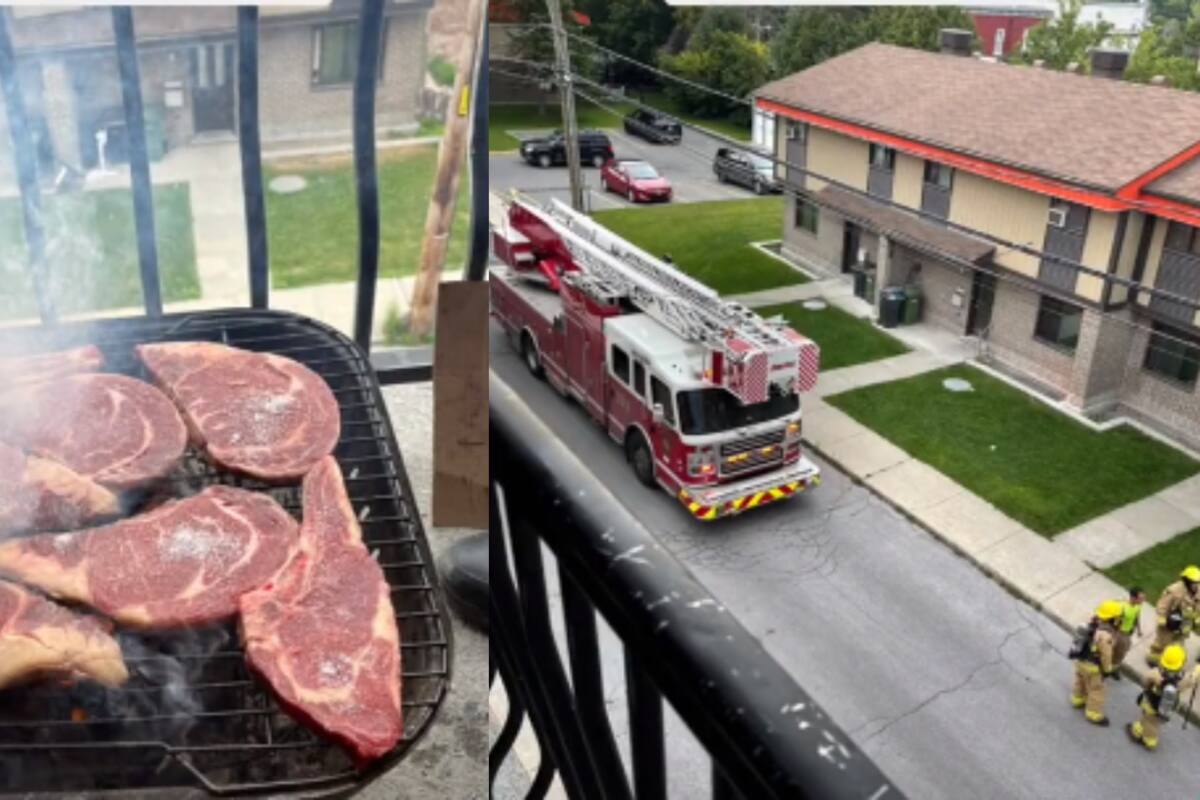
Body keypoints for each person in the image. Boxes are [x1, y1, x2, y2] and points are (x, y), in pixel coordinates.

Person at [1127, 644, 1196, 750]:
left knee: (1150, 722)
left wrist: (1148, 687)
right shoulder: (1184, 678)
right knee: (1154, 721)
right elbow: (1191, 681)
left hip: (1152, 703)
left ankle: (1148, 739)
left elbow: (1145, 680)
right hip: (1169, 705)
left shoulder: (1156, 673)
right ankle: (1144, 732)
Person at [1072, 599, 1121, 726]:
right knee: (1097, 690)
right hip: (1093, 668)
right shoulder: (1106, 636)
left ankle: (1077, 699)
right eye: (1117, 617)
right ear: (1112, 619)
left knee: (1080, 680)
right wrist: (1107, 669)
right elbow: (1106, 655)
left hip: (1080, 661)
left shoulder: (1090, 625)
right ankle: (1093, 713)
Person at [1147, 566, 1200, 666]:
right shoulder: (1174, 590)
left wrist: (1197, 618)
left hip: (1184, 626)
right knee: (1160, 644)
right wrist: (1162, 618)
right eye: (1194, 582)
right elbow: (1162, 605)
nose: (1196, 585)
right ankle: (1153, 659)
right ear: (1187, 581)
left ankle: (1171, 663)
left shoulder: (1198, 592)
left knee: (1178, 647)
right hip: (1169, 624)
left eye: (1197, 582)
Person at [1113, 586, 1145, 667]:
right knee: (1117, 651)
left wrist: (1139, 630)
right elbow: (1115, 621)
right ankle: (1109, 666)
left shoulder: (1138, 606)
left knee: (1122, 652)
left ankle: (1114, 666)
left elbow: (1137, 617)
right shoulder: (1123, 607)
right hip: (1119, 632)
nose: (1142, 601)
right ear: (1133, 598)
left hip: (1128, 633)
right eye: (1140, 598)